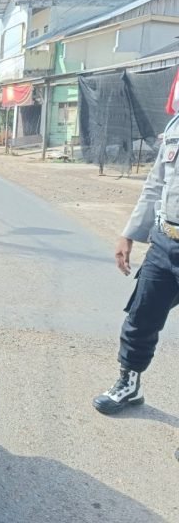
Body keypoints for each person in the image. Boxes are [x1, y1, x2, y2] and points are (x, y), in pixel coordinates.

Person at [93, 114, 179, 414]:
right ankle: (129, 385)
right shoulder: (175, 126)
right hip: (165, 242)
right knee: (140, 317)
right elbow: (156, 184)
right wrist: (128, 233)